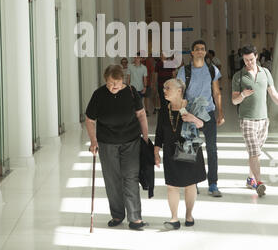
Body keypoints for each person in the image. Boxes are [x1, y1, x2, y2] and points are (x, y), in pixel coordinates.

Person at [86, 64, 149, 230]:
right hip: (107, 143)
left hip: (131, 141)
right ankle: (117, 214)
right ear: (105, 81)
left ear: (123, 80)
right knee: (112, 180)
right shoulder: (99, 95)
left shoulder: (130, 92)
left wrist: (146, 137)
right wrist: (93, 141)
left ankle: (135, 218)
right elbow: (90, 120)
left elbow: (141, 115)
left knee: (131, 177)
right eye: (110, 83)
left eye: (117, 82)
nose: (114, 86)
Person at [154, 78, 206, 229]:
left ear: (179, 91)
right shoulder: (165, 109)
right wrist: (156, 151)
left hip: (189, 148)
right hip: (170, 150)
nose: (164, 91)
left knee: (190, 184)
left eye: (167, 88)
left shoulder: (192, 105)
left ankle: (189, 215)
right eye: (164, 88)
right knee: (172, 185)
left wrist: (193, 118)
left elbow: (204, 125)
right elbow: (159, 133)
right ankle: (174, 218)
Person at [177, 40, 225, 197]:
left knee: (212, 149)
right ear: (191, 52)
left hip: (209, 113)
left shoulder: (212, 70)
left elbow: (217, 92)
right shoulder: (184, 71)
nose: (200, 51)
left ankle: (213, 183)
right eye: (197, 49)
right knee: (191, 148)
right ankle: (193, 182)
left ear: (205, 52)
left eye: (202, 49)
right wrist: (183, 112)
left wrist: (220, 113)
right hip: (190, 114)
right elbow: (179, 94)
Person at [232, 45, 278, 197]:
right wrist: (243, 95)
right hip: (247, 120)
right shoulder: (239, 76)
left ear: (256, 56)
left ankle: (250, 179)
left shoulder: (265, 72)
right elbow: (234, 101)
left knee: (255, 154)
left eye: (251, 59)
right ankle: (259, 183)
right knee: (254, 153)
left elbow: (273, 94)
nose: (249, 63)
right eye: (245, 60)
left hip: (264, 120)